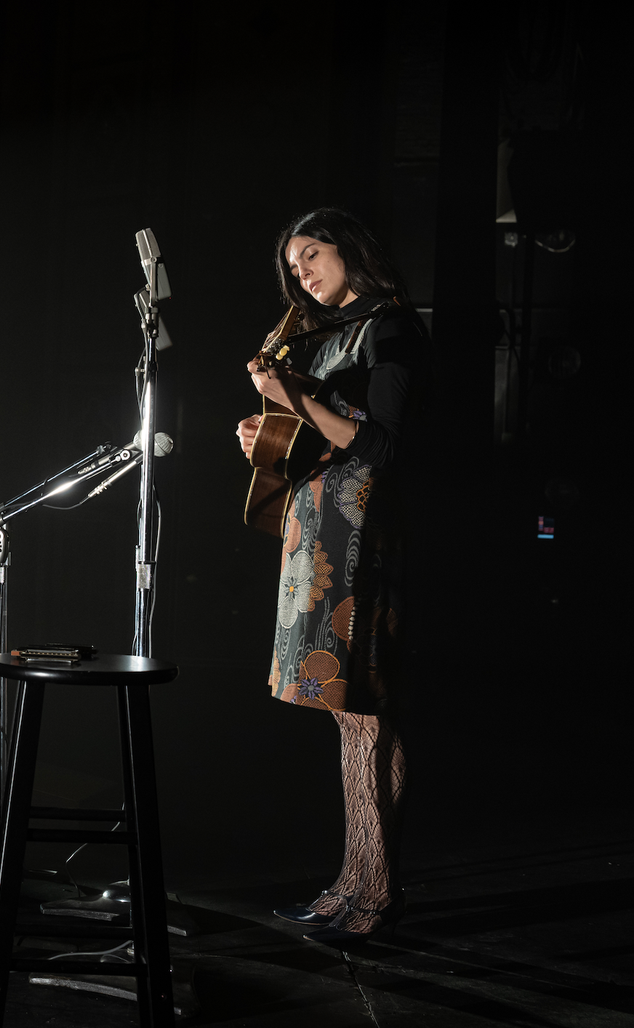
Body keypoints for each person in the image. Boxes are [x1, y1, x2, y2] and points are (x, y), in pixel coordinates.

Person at [237, 207, 428, 944]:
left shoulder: (393, 327)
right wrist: (270, 435)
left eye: (312, 254)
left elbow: (381, 446)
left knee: (365, 712)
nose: (303, 273)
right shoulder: (322, 333)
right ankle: (353, 882)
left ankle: (373, 892)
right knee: (350, 716)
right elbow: (322, 434)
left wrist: (297, 402)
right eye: (293, 266)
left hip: (363, 540)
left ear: (351, 248)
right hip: (320, 538)